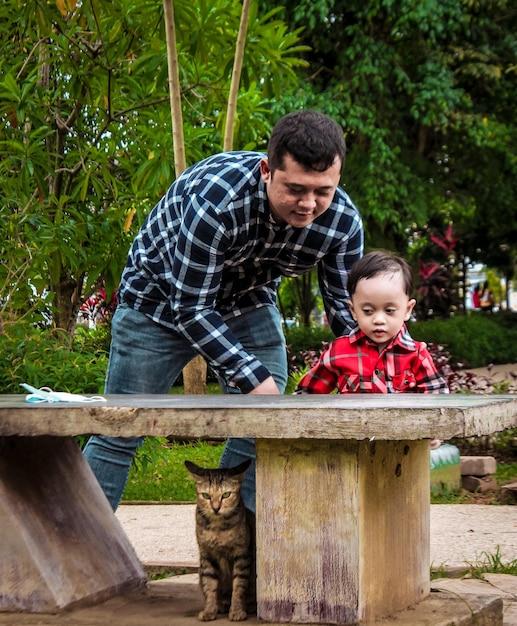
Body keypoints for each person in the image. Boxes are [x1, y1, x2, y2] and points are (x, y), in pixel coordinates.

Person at [83, 110, 364, 512]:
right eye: (296, 189)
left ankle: (235, 544)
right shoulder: (217, 202)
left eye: (323, 191)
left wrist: (370, 370)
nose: (308, 205)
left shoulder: (341, 223)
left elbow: (344, 311)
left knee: (261, 425)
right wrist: (251, 376)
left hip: (246, 299)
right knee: (120, 428)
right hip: (159, 301)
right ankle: (80, 557)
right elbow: (192, 307)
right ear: (267, 171)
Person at [296, 251, 449, 438]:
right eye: (368, 311)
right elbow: (307, 395)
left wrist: (434, 433)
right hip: (351, 446)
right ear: (353, 310)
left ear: (407, 310)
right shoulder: (339, 352)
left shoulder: (416, 355)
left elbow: (437, 397)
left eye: (389, 310)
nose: (378, 319)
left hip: (404, 447)